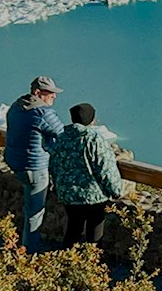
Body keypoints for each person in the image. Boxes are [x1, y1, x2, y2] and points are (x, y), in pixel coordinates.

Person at [48, 102, 128, 248]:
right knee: (94, 233)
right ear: (91, 120)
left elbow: (53, 165)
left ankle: (67, 262)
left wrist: (58, 187)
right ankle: (92, 266)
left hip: (68, 195)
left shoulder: (62, 138)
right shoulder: (94, 140)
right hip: (93, 196)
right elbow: (106, 169)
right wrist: (116, 191)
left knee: (73, 229)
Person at [2, 75, 66, 250]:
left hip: (16, 161)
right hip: (34, 166)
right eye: (50, 93)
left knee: (29, 205)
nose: (54, 96)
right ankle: (29, 252)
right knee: (35, 212)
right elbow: (63, 136)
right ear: (38, 92)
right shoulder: (42, 112)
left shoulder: (17, 106)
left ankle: (23, 244)